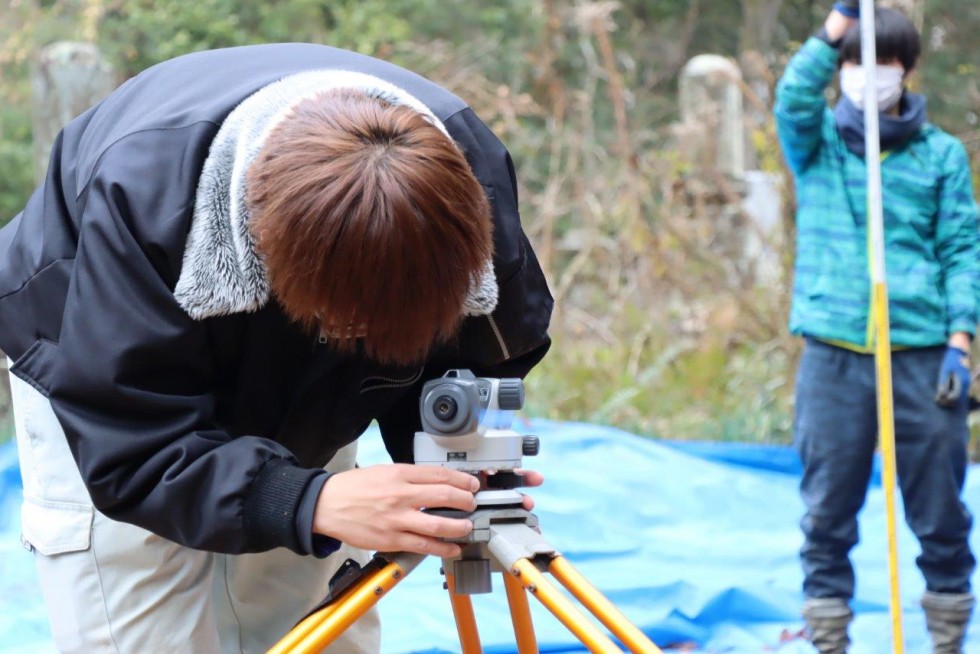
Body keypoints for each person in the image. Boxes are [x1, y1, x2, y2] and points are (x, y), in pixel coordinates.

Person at [0, 44, 553, 653]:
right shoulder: (141, 200)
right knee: (144, 627)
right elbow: (132, 449)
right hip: (106, 361)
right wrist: (308, 499)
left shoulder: (469, 186)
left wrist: (463, 454)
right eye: (352, 331)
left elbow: (486, 350)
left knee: (313, 620)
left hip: (303, 307)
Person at [775, 2, 979, 653]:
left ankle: (947, 637)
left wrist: (960, 343)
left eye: (883, 60)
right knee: (828, 509)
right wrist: (839, 22)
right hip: (834, 355)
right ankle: (829, 639)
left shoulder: (940, 155)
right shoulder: (818, 145)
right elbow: (794, 92)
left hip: (922, 355)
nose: (870, 74)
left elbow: (962, 251)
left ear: (907, 69)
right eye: (856, 61)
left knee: (941, 510)